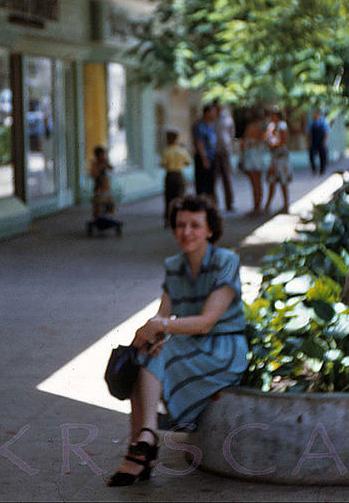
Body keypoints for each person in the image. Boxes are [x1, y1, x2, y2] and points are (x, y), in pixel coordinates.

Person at [107, 194, 248, 487]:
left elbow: (207, 322)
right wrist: (153, 335)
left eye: (195, 225)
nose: (186, 232)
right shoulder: (174, 266)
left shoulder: (226, 262)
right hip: (188, 345)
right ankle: (143, 444)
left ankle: (141, 449)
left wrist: (161, 326)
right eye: (181, 225)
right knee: (150, 354)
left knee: (157, 357)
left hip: (222, 347)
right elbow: (164, 313)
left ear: (210, 230)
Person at [159, 129, 192, 227]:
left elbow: (163, 164)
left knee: (168, 198)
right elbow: (188, 162)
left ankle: (168, 220)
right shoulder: (182, 151)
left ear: (168, 139)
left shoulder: (166, 151)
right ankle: (180, 219)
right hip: (179, 175)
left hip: (170, 175)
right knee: (180, 197)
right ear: (177, 139)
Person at [238, 110, 268, 215]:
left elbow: (244, 143)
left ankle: (256, 207)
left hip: (251, 158)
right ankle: (258, 205)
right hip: (258, 157)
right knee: (258, 183)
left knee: (255, 183)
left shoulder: (251, 127)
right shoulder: (262, 127)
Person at [263, 106, 291, 213]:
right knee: (272, 180)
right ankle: (268, 205)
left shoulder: (282, 125)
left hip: (281, 157)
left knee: (283, 180)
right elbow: (266, 137)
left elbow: (283, 140)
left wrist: (273, 144)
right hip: (274, 157)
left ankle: (285, 204)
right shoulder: (271, 126)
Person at [213, 101, 236, 211]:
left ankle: (229, 203)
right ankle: (214, 204)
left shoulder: (226, 118)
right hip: (214, 151)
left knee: (227, 178)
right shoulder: (212, 118)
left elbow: (231, 133)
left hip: (224, 151)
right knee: (213, 179)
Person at [192, 104, 218, 198]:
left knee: (210, 184)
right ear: (207, 113)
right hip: (204, 158)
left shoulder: (210, 126)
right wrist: (204, 159)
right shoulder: (200, 126)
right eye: (213, 112)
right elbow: (200, 143)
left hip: (211, 157)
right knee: (203, 185)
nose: (215, 114)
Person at [307, 108, 329, 175]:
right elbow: (308, 133)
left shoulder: (323, 123)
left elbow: (326, 133)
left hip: (321, 141)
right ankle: (314, 169)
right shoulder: (311, 123)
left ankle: (322, 170)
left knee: (322, 156)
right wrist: (308, 143)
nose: (315, 115)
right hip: (314, 142)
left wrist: (325, 142)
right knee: (311, 156)